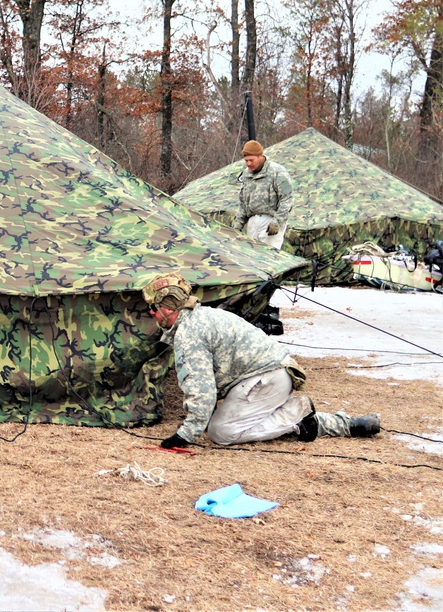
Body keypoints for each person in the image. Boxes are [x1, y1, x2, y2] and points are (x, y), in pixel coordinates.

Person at [141, 273, 380, 449]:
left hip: (267, 379)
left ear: (168, 306)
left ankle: (297, 412)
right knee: (246, 419)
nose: (152, 313)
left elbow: (201, 389)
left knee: (221, 432)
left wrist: (186, 435)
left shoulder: (189, 333)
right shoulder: (200, 318)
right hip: (268, 376)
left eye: (154, 307)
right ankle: (345, 424)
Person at [231, 140, 294, 250]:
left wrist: (277, 222)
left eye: (251, 160)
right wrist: (238, 224)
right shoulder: (246, 174)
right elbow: (243, 202)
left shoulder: (277, 172)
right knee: (252, 256)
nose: (249, 164)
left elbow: (287, 199)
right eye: (246, 161)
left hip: (270, 221)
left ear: (260, 156)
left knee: (269, 256)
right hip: (252, 221)